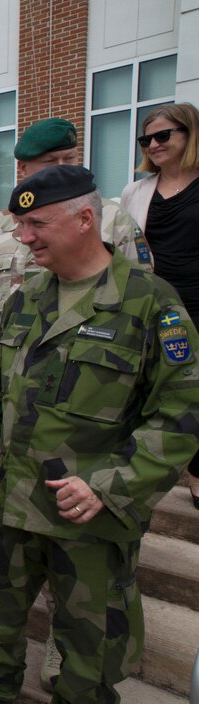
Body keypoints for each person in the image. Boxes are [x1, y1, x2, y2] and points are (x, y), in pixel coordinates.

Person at [0, 165, 199, 704]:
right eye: (20, 225)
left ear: (86, 219)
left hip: (88, 519)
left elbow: (182, 413)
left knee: (88, 670)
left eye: (37, 223)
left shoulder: (147, 303)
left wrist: (112, 486)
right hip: (10, 510)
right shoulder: (24, 299)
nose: (25, 237)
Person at [0, 117, 153, 689]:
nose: (28, 237)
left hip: (87, 439)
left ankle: (68, 646)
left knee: (80, 567)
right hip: (12, 429)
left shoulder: (118, 237)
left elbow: (167, 388)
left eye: (68, 159)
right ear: (22, 169)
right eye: (49, 162)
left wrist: (119, 474)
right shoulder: (3, 247)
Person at [121, 101, 199, 509]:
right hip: (155, 304)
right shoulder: (136, 191)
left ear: (189, 134)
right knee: (153, 386)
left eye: (163, 135)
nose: (153, 144)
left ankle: (198, 472)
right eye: (145, 139)